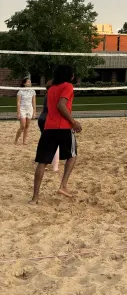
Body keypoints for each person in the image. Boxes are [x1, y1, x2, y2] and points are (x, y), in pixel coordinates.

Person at [30, 65, 82, 204]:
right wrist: (73, 122)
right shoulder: (68, 86)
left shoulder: (51, 88)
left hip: (49, 127)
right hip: (63, 127)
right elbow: (61, 105)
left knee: (42, 162)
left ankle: (35, 197)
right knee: (72, 156)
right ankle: (63, 186)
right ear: (70, 76)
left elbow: (49, 84)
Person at [37, 80, 59, 172]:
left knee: (45, 142)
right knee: (56, 143)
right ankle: (55, 167)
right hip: (49, 120)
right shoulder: (54, 95)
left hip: (42, 119)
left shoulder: (47, 94)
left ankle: (43, 163)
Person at [15, 77, 36, 145]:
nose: (30, 83)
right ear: (24, 83)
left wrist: (34, 112)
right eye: (28, 82)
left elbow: (34, 103)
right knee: (22, 126)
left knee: (27, 125)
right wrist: (18, 113)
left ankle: (24, 141)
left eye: (30, 82)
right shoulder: (20, 91)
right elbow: (18, 103)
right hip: (22, 109)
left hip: (30, 109)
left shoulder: (33, 91)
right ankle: (16, 140)